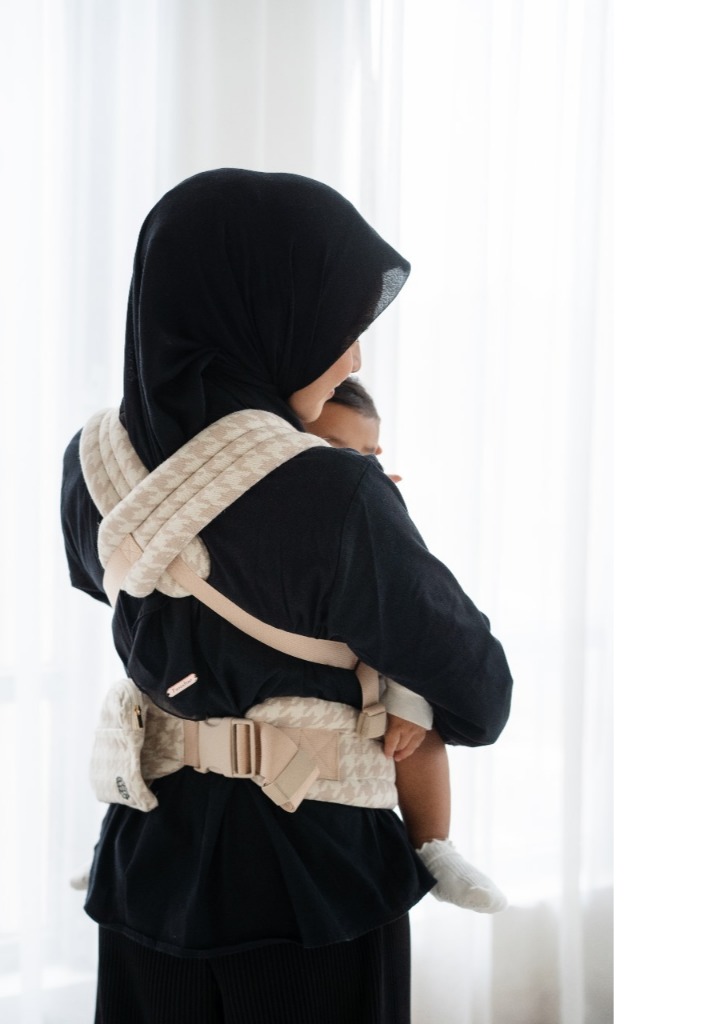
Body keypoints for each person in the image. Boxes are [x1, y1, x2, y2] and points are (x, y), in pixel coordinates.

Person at [61, 169, 513, 1024]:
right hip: (313, 876)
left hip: (147, 861)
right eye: (340, 328)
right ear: (268, 315)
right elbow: (480, 693)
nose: (353, 359)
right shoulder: (336, 492)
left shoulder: (90, 466)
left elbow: (120, 596)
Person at [305, 377, 507, 913]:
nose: (355, 468)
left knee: (419, 718)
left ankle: (435, 846)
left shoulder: (372, 504)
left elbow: (416, 609)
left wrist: (411, 701)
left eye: (367, 457)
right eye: (334, 451)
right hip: (323, 647)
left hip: (387, 646)